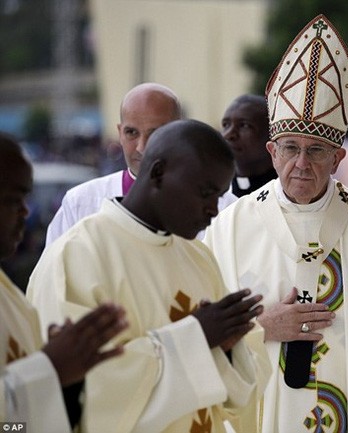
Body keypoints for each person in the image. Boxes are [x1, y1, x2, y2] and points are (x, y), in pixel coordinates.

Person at [203, 14, 348, 433]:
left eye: (317, 151)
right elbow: (201, 336)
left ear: (338, 158)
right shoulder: (229, 229)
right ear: (272, 151)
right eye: (290, 148)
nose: (301, 163)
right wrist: (263, 326)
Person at [27, 120, 270, 433]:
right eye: (206, 193)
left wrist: (229, 346)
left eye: (220, 195)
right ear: (157, 173)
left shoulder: (198, 257)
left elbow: (244, 374)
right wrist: (196, 337)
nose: (213, 209)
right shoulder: (78, 256)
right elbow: (80, 387)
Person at [1, 133, 128, 432]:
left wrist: (68, 383)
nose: (25, 212)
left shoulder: (13, 299)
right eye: (12, 199)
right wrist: (49, 369)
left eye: (26, 198)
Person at [45, 82, 237, 246]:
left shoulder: (227, 209)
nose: (142, 147)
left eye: (156, 133)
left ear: (179, 131)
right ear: (120, 132)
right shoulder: (80, 203)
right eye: (131, 133)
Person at [221, 94, 277, 197]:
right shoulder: (216, 192)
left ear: (271, 135)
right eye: (226, 125)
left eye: (244, 125)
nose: (228, 135)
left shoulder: (285, 193)